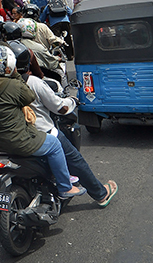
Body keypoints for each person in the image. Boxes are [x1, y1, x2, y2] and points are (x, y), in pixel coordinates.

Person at [0, 45, 85, 199]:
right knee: (55, 145)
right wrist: (15, 75)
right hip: (16, 141)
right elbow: (29, 96)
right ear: (9, 66)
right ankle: (65, 187)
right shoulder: (13, 85)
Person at [9, 42, 117, 207]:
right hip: (39, 133)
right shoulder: (33, 83)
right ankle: (100, 194)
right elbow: (60, 108)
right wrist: (72, 101)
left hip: (9, 136)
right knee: (76, 160)